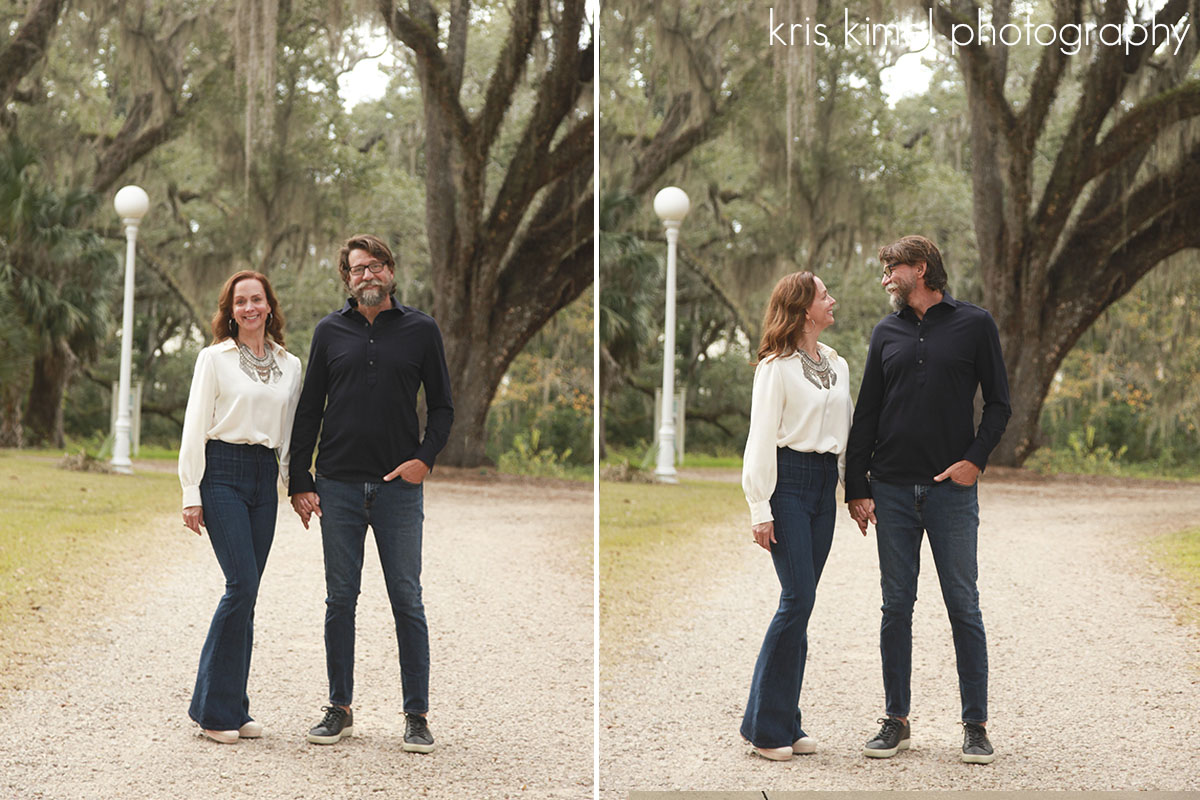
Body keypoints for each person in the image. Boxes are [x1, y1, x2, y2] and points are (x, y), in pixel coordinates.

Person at [845, 235, 1010, 765]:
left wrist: (975, 460)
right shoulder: (885, 332)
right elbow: (866, 411)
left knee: (964, 606)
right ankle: (897, 720)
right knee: (896, 608)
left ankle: (976, 726)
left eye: (892, 268)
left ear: (921, 268)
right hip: (891, 489)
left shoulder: (975, 324)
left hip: (950, 493)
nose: (886, 277)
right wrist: (857, 486)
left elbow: (1001, 405)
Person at [288, 233, 453, 752]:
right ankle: (339, 708)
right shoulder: (328, 331)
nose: (369, 275)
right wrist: (299, 479)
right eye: (359, 268)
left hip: (397, 490)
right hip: (336, 485)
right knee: (341, 600)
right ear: (347, 278)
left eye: (377, 265)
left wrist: (424, 459)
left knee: (407, 600)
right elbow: (309, 407)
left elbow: (443, 406)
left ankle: (417, 715)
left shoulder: (422, 330)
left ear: (391, 272)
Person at [178, 270, 303, 744]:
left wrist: (293, 487)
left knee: (248, 596)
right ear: (230, 312)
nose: (249, 307)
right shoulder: (214, 359)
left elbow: (289, 435)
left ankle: (234, 705)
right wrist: (191, 492)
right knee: (241, 584)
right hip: (222, 472)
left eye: (257, 299)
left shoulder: (290, 365)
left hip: (263, 476)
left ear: (270, 305)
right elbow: (194, 426)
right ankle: (211, 710)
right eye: (240, 301)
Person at [739, 271, 853, 761]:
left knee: (801, 606)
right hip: (786, 485)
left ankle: (785, 719)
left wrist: (855, 491)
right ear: (806, 308)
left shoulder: (837, 363)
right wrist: (759, 506)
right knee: (797, 597)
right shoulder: (776, 367)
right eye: (825, 295)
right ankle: (765, 729)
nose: (833, 301)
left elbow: (845, 432)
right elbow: (761, 436)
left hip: (823, 486)